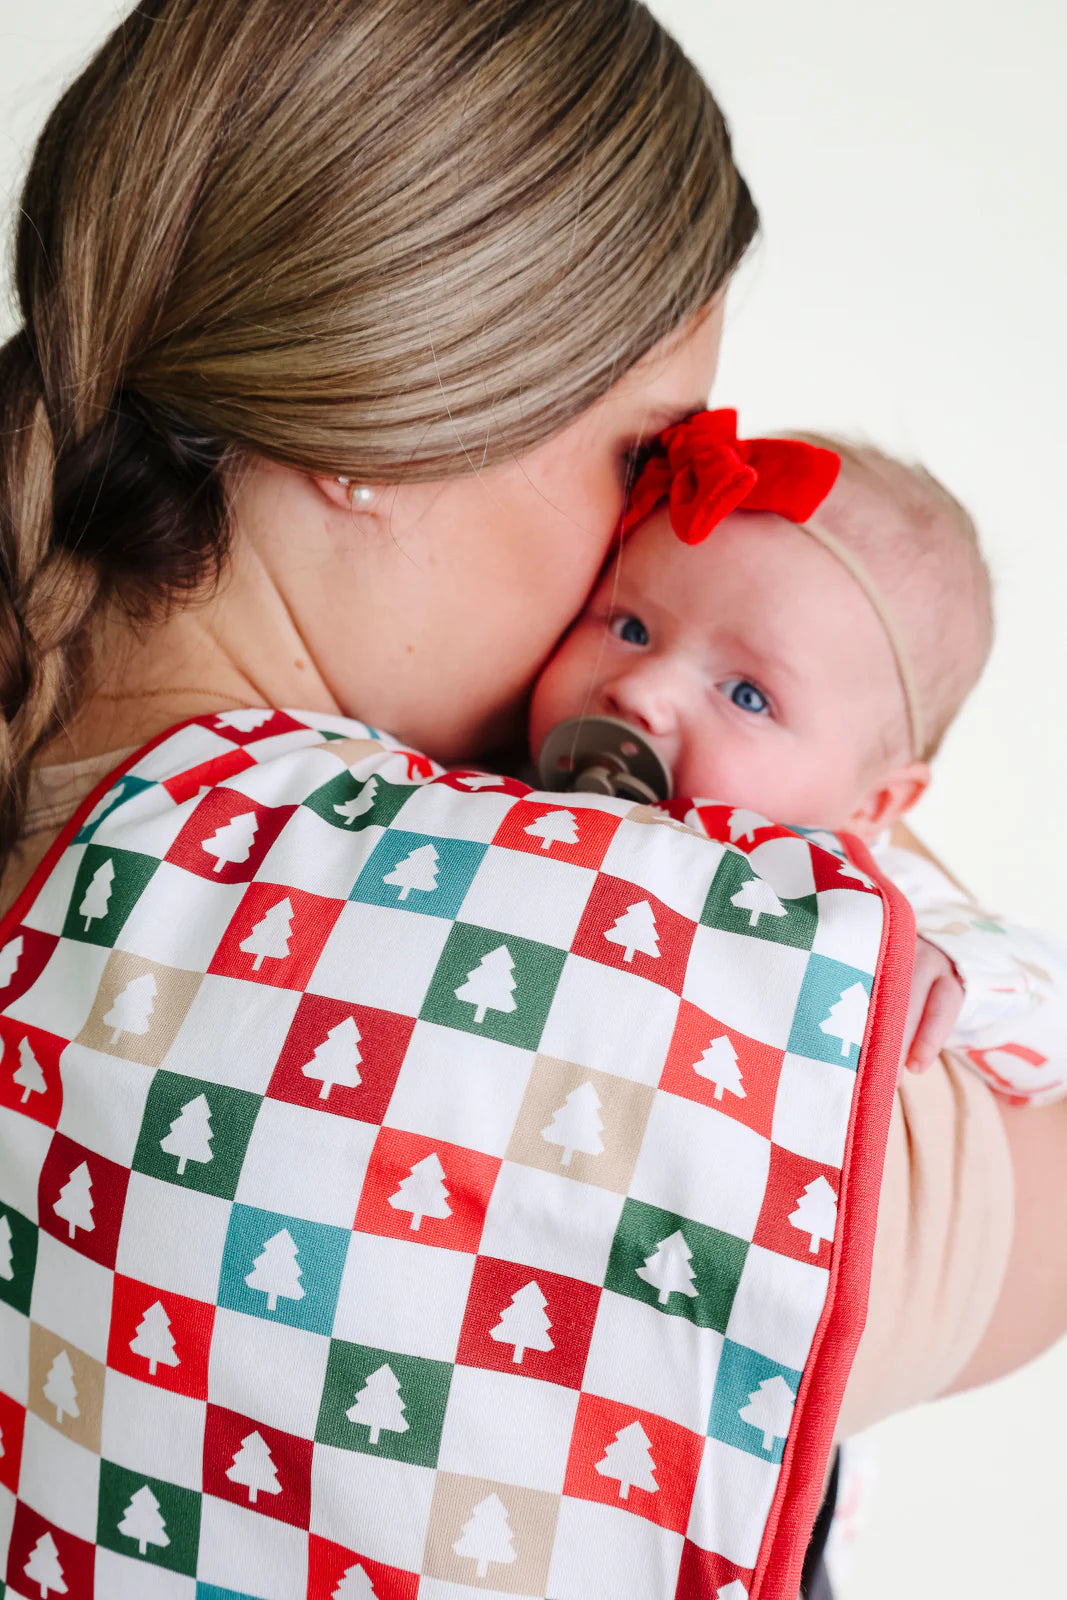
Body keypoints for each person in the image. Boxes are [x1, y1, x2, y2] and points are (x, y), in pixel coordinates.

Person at [1, 4, 1065, 1598]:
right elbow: (1026, 1226)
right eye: (639, 456)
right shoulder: (559, 946)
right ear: (384, 430)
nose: (645, 544)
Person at [528, 410, 1067, 1104]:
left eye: (747, 696)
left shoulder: (857, 887)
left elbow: (1049, 1026)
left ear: (872, 805)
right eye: (631, 627)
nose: (640, 691)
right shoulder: (506, 775)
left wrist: (950, 974)